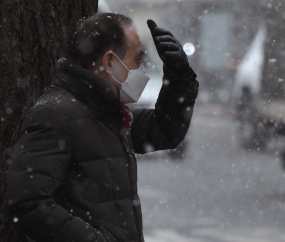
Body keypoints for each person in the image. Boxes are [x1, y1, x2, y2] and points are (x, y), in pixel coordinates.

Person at [6, 13, 199, 242]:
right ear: (109, 62)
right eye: (137, 61)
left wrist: (179, 77)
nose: (142, 71)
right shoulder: (56, 113)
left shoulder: (107, 113)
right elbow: (28, 204)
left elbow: (165, 131)